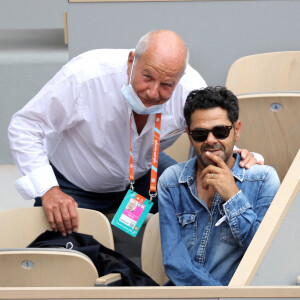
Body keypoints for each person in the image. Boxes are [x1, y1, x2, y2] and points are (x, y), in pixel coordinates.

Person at [8, 30, 259, 237]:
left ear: (179, 79)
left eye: (167, 85)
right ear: (131, 61)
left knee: (204, 212)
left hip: (144, 176)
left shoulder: (189, 87)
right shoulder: (84, 77)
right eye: (147, 77)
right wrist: (48, 189)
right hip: (74, 182)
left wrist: (236, 154)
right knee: (62, 253)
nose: (152, 92)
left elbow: (211, 133)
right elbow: (25, 126)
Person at [158, 86, 280, 286]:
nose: (211, 140)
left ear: (236, 130)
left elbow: (267, 256)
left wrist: (233, 197)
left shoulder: (263, 180)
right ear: (189, 135)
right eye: (200, 134)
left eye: (221, 131)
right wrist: (219, 296)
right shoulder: (171, 182)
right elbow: (175, 263)